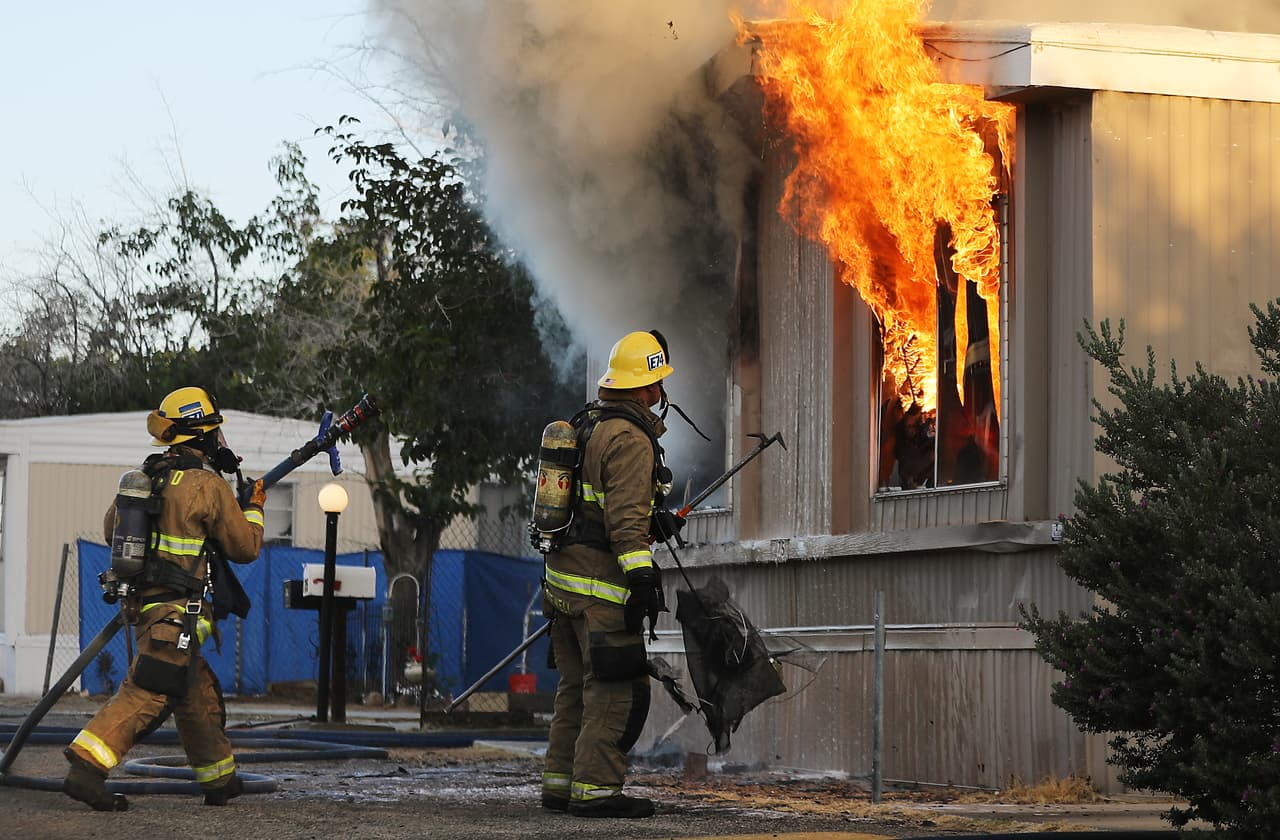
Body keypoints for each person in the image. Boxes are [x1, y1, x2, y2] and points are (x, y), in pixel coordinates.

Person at [63, 387, 266, 811]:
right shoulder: (206, 486)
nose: (220, 443)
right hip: (178, 611)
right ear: (203, 435)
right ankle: (85, 767)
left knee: (193, 690)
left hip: (147, 608)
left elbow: (110, 529)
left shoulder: (145, 478)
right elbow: (244, 547)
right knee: (151, 690)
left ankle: (219, 779)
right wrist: (255, 508)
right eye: (215, 434)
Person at [539, 330, 676, 819]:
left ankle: (559, 783)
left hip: (561, 585)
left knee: (574, 687)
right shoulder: (631, 439)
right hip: (599, 589)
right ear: (643, 388)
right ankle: (596, 791)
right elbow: (623, 525)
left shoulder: (587, 423)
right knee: (614, 689)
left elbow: (594, 505)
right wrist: (641, 578)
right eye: (657, 383)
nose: (661, 394)